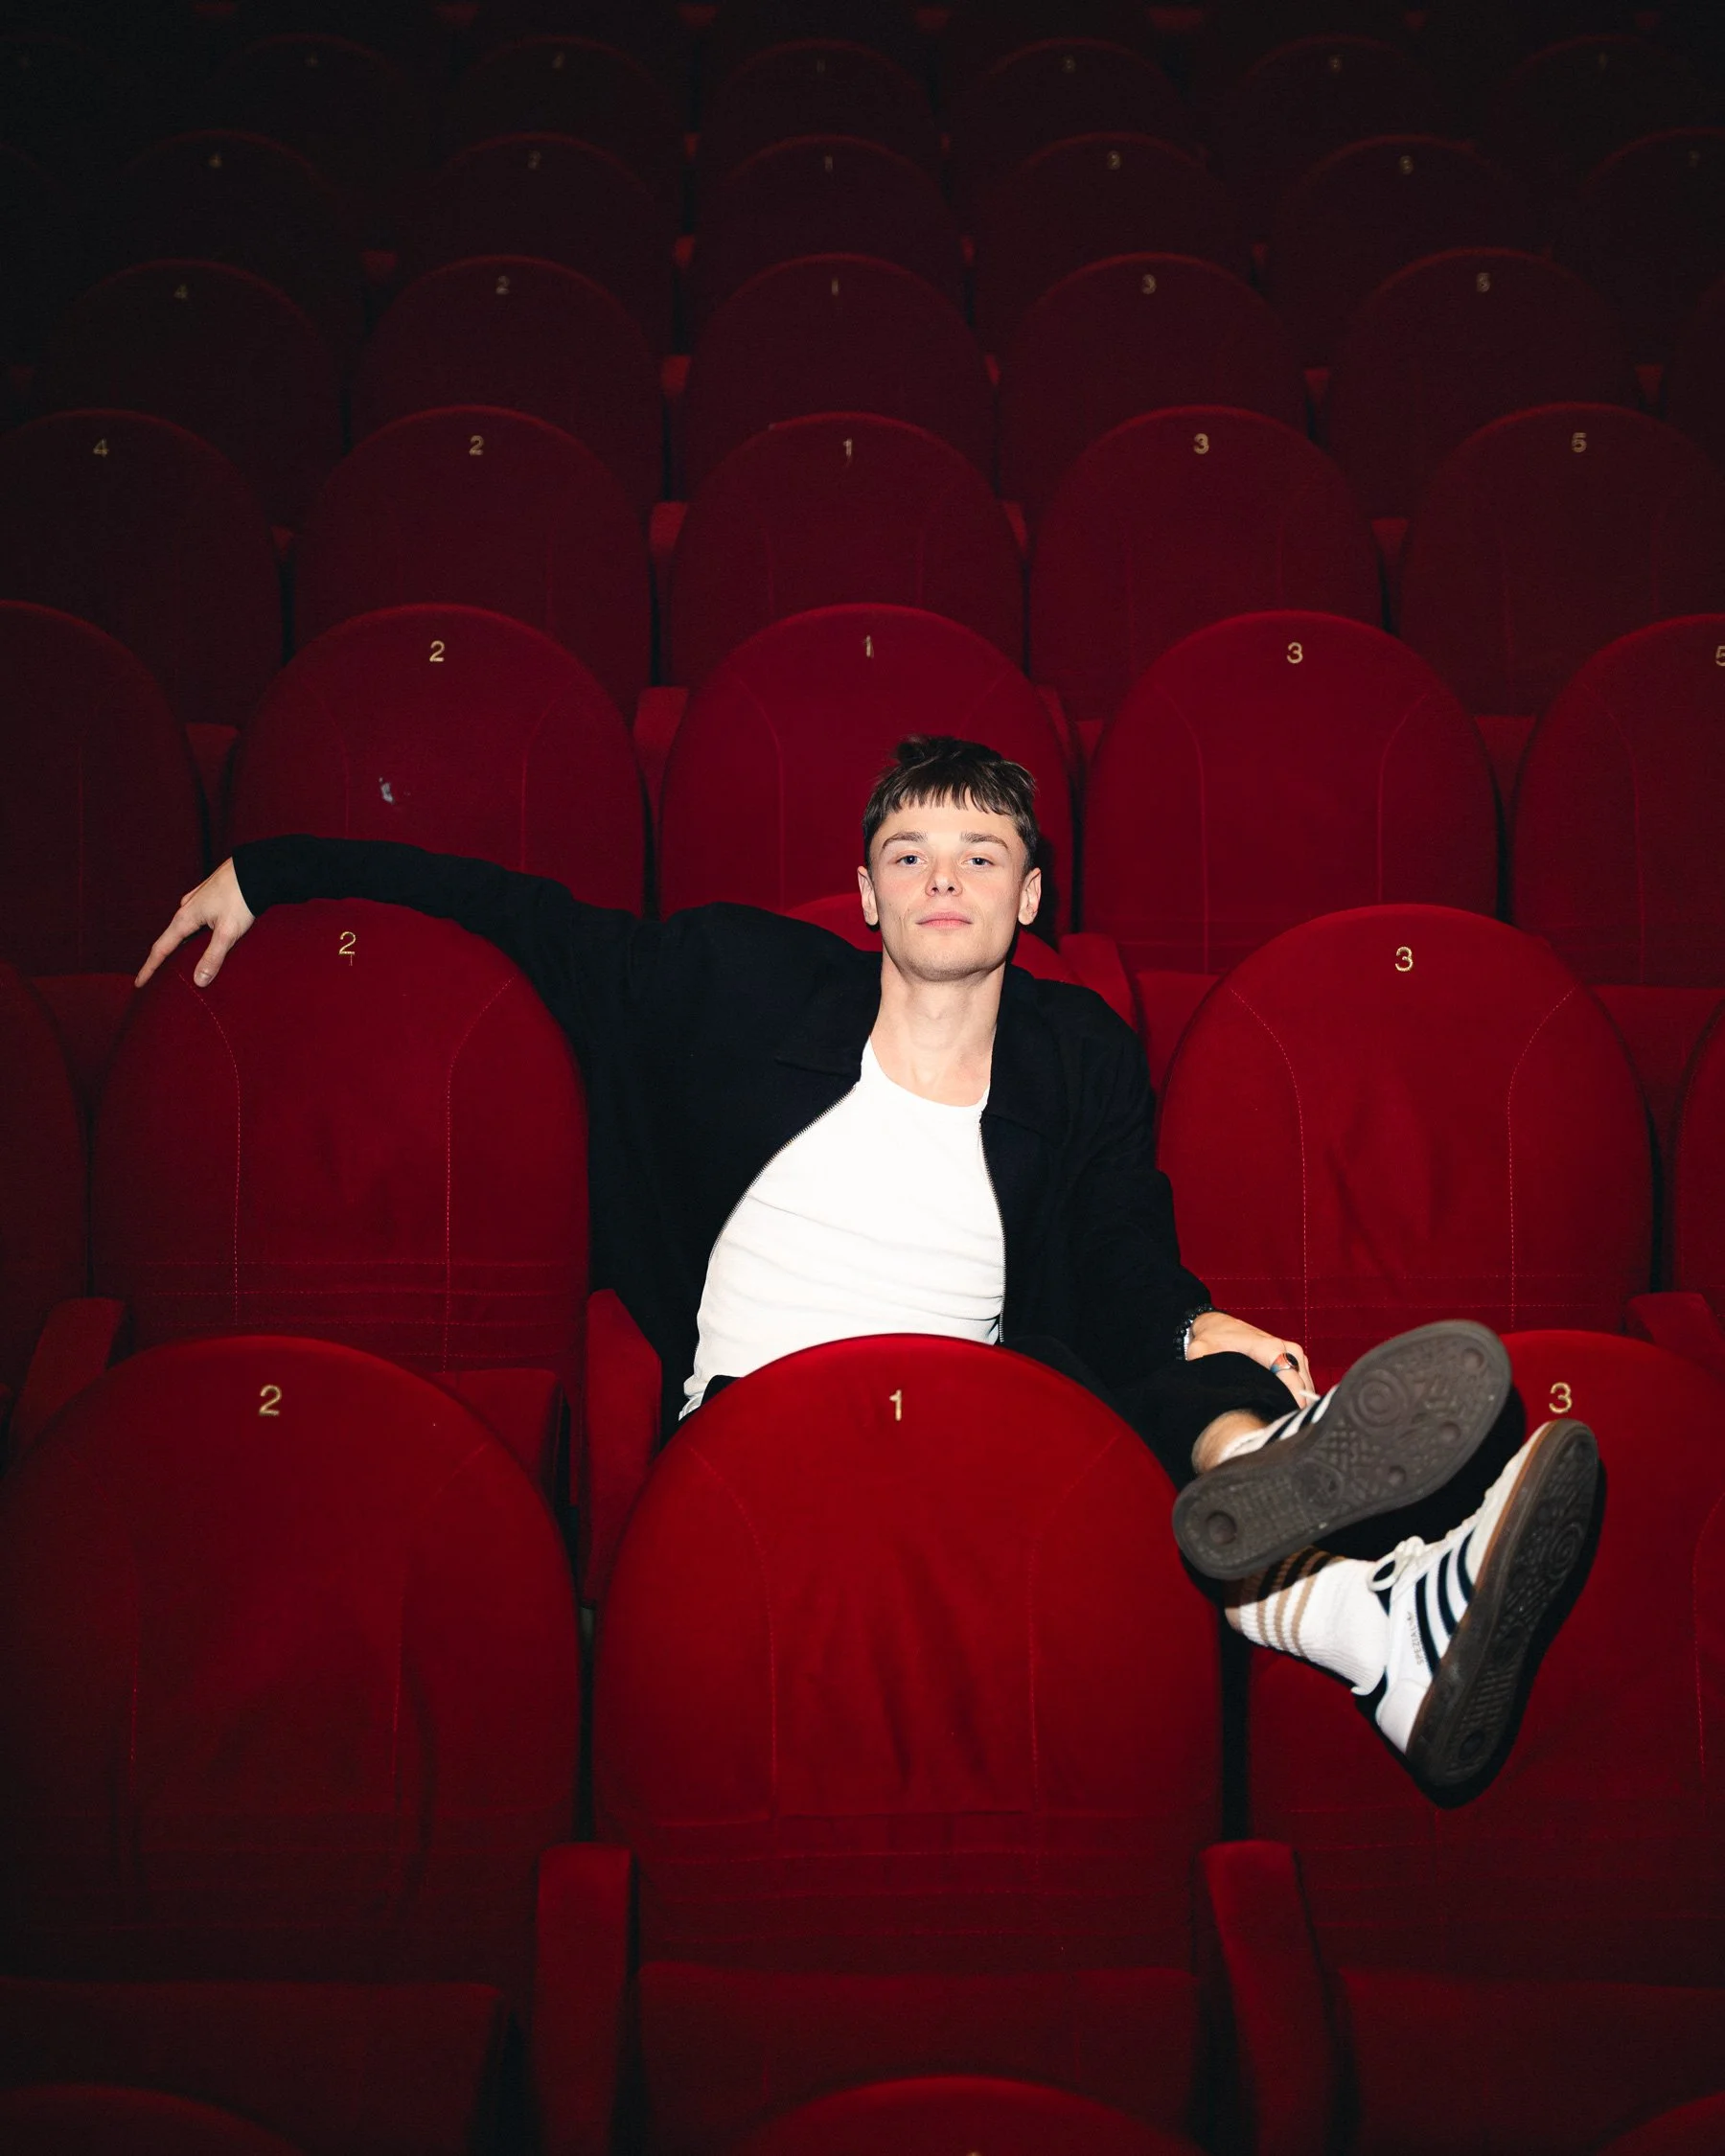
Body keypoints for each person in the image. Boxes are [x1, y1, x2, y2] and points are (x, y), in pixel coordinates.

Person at [139, 735, 1597, 1793]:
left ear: (1031, 897)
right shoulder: (735, 982)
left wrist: (1192, 1319)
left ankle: (1309, 1518)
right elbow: (529, 921)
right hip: (756, 1434)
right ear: (865, 889)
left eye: (982, 854)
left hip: (981, 1424)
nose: (943, 877)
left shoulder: (1076, 1050)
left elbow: (1116, 1243)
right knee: (1146, 1371)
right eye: (911, 853)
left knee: (1168, 1344)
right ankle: (1380, 1607)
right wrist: (276, 870)